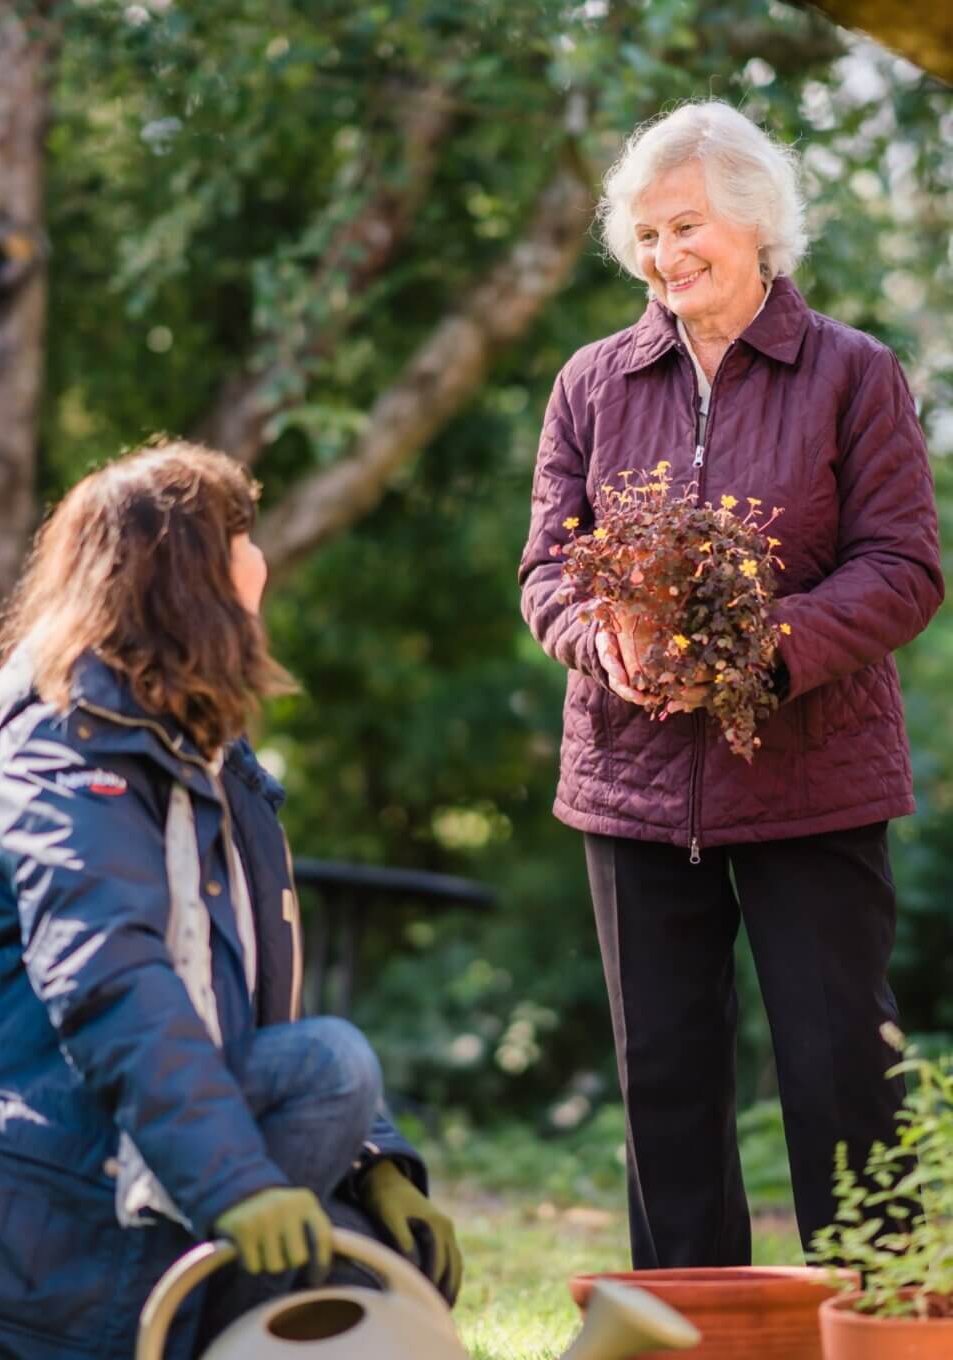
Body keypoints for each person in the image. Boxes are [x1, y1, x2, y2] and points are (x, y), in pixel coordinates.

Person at [519, 101, 944, 1269]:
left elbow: (904, 569)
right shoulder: (591, 381)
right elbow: (547, 566)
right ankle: (689, 1335)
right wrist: (596, 632)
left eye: (687, 225)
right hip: (634, 785)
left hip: (811, 778)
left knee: (839, 1074)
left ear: (757, 225)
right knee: (663, 1084)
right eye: (645, 235)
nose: (665, 256)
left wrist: (762, 645)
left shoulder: (852, 373)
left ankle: (878, 1322)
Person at [0, 440, 461, 1359]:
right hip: (37, 1191)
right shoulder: (62, 755)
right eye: (239, 536)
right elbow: (114, 981)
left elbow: (243, 1002)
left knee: (377, 1255)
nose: (257, 561)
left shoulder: (201, 760)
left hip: (124, 1150)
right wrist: (236, 1185)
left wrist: (370, 1160)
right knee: (328, 1065)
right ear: (186, 576)